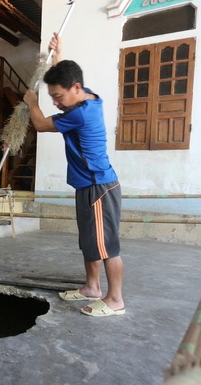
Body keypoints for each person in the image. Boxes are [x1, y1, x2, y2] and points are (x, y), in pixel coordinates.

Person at [23, 33, 125, 317]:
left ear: (75, 88)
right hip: (87, 186)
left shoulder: (79, 114)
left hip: (99, 187)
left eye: (57, 96)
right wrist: (58, 54)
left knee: (107, 247)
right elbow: (65, 79)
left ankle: (115, 299)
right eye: (52, 96)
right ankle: (92, 287)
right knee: (89, 241)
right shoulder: (87, 97)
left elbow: (42, 124)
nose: (55, 102)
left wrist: (32, 101)